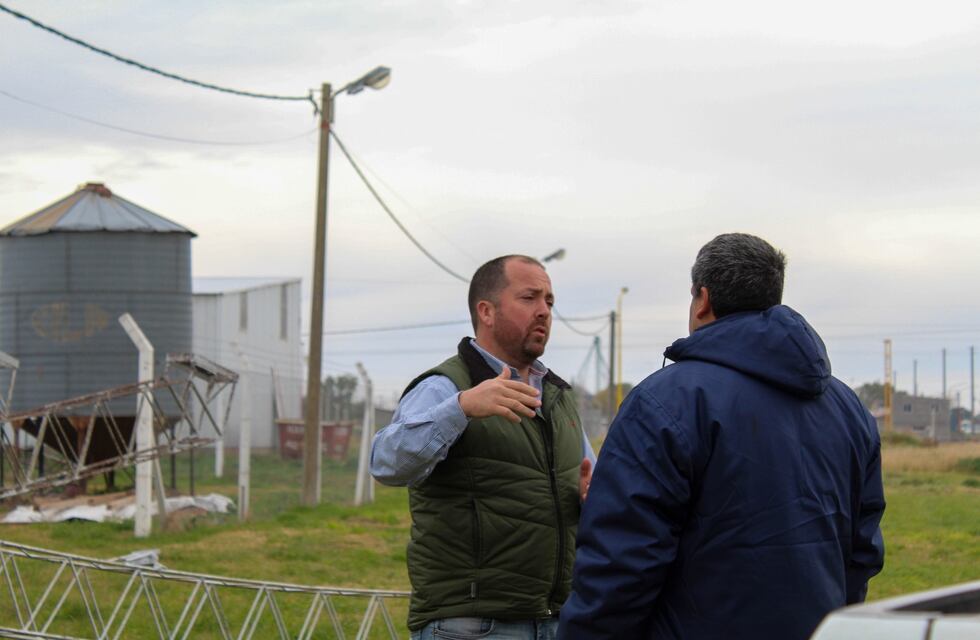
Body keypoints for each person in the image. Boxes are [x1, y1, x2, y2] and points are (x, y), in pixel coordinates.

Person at [559, 233, 886, 640]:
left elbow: (621, 563)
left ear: (703, 299)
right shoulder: (848, 408)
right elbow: (862, 551)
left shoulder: (664, 401)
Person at [371, 254, 595, 640]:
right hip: (472, 625)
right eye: (529, 298)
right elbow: (386, 462)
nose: (544, 311)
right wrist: (460, 410)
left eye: (550, 301)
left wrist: (595, 499)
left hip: (556, 619)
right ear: (486, 311)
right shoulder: (447, 386)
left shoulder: (559, 399)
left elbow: (589, 483)